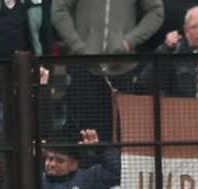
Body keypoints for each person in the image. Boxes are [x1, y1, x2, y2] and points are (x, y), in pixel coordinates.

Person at [51, 0, 164, 140]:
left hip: (124, 68)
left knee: (122, 135)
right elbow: (59, 10)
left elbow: (156, 11)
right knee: (82, 134)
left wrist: (129, 42)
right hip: (83, 68)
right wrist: (77, 45)